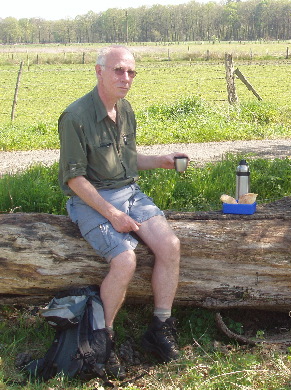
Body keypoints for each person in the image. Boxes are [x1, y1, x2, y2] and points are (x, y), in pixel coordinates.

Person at [58, 45, 187, 377]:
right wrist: (112, 215)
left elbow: (127, 160)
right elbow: (74, 179)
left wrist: (159, 161)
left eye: (131, 72)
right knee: (125, 260)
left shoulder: (125, 110)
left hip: (130, 193)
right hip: (91, 200)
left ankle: (159, 329)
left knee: (170, 246)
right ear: (99, 71)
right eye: (118, 70)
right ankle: (103, 342)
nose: (126, 78)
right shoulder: (75, 117)